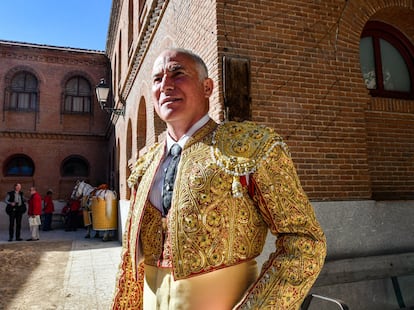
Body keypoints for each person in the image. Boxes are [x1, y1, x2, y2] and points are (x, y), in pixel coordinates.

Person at [112, 48, 327, 309]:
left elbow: (304, 240)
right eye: (157, 79)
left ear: (207, 87)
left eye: (177, 74)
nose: (165, 85)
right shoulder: (144, 167)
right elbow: (130, 259)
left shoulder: (251, 146)